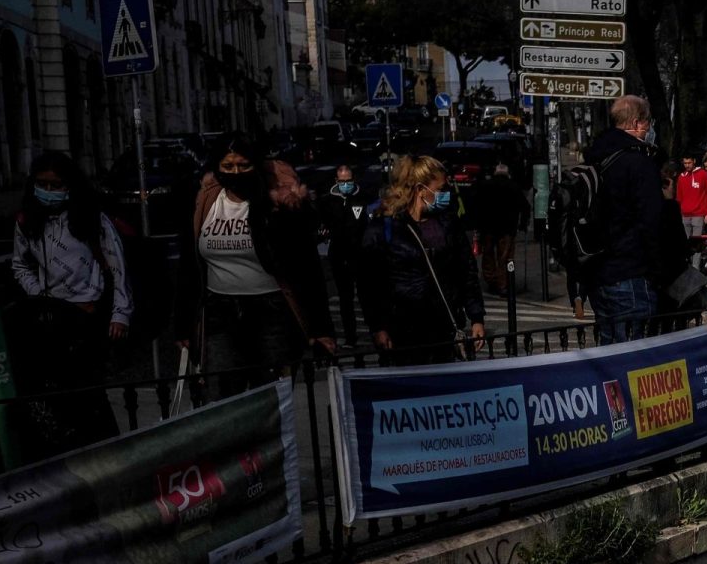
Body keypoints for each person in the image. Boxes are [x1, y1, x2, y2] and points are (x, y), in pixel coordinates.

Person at [177, 132, 334, 397]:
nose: (235, 172)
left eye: (243, 165)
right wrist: (183, 325)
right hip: (220, 313)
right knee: (223, 398)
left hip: (272, 312)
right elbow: (190, 266)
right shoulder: (206, 200)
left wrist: (321, 328)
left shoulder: (273, 202)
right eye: (228, 166)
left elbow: (306, 265)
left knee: (270, 400)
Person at [8, 151, 131, 460]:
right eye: (42, 184)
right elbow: (19, 265)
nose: (49, 191)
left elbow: (117, 265)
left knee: (89, 393)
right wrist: (38, 295)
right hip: (50, 318)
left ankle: (105, 455)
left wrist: (119, 313)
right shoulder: (27, 221)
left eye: (56, 184)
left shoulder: (91, 218)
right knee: (57, 394)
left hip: (87, 315)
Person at [356, 155, 486, 365]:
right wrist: (378, 327)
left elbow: (466, 270)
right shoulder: (385, 228)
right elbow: (370, 284)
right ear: (420, 189)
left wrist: (476, 316)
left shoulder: (447, 222)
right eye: (440, 189)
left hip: (444, 328)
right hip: (404, 332)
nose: (445, 195)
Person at [581, 94, 670, 344]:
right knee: (636, 362)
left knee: (610, 360)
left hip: (599, 274)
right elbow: (652, 222)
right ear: (637, 123)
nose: (649, 128)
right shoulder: (639, 162)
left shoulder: (596, 158)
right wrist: (658, 273)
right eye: (648, 122)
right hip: (631, 272)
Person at [315, 164, 367, 346]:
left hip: (360, 254)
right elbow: (320, 225)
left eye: (349, 181)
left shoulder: (362, 197)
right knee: (345, 298)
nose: (346, 184)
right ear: (336, 181)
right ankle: (350, 338)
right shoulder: (327, 201)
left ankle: (378, 333)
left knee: (366, 296)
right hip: (338, 254)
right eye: (342, 181)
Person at [473, 163, 528, 296]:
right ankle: (503, 285)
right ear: (507, 173)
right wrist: (523, 225)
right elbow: (525, 207)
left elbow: (476, 205)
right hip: (507, 228)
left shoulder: (485, 186)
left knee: (488, 255)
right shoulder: (514, 186)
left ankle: (491, 280)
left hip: (488, 227)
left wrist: (477, 225)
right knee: (505, 257)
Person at [675, 154, 707, 239]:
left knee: (696, 242)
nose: (687, 165)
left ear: (694, 161)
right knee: (687, 242)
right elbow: (679, 197)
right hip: (685, 215)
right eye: (685, 163)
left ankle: (698, 252)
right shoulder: (681, 177)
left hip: (699, 214)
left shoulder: (703, 174)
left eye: (689, 163)